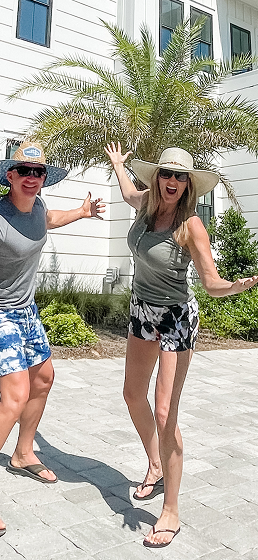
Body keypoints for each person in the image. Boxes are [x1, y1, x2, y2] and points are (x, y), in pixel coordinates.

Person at [0, 143, 105, 536]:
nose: (32, 177)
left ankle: (23, 453)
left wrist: (80, 212)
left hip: (25, 309)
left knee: (43, 379)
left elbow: (48, 220)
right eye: (24, 170)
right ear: (9, 175)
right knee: (14, 396)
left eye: (38, 172)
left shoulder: (38, 207)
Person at [105, 142, 258, 550]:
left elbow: (209, 282)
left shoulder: (191, 226)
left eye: (180, 177)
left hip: (175, 317)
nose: (172, 181)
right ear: (157, 178)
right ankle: (155, 464)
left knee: (165, 410)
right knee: (131, 395)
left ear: (188, 184)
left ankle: (170, 509)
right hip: (142, 309)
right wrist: (120, 165)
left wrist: (233, 287)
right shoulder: (144, 203)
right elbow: (125, 191)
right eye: (166, 174)